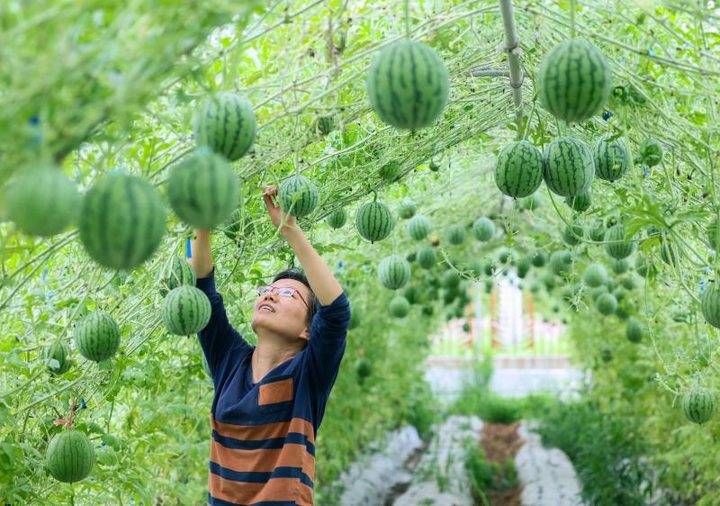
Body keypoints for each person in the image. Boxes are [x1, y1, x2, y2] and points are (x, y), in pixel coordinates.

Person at [188, 185, 351, 505]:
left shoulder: (308, 375)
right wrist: (199, 223)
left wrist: (289, 229)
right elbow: (199, 289)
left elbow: (336, 312)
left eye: (289, 293)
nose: (270, 294)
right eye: (266, 289)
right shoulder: (229, 361)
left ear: (308, 329)